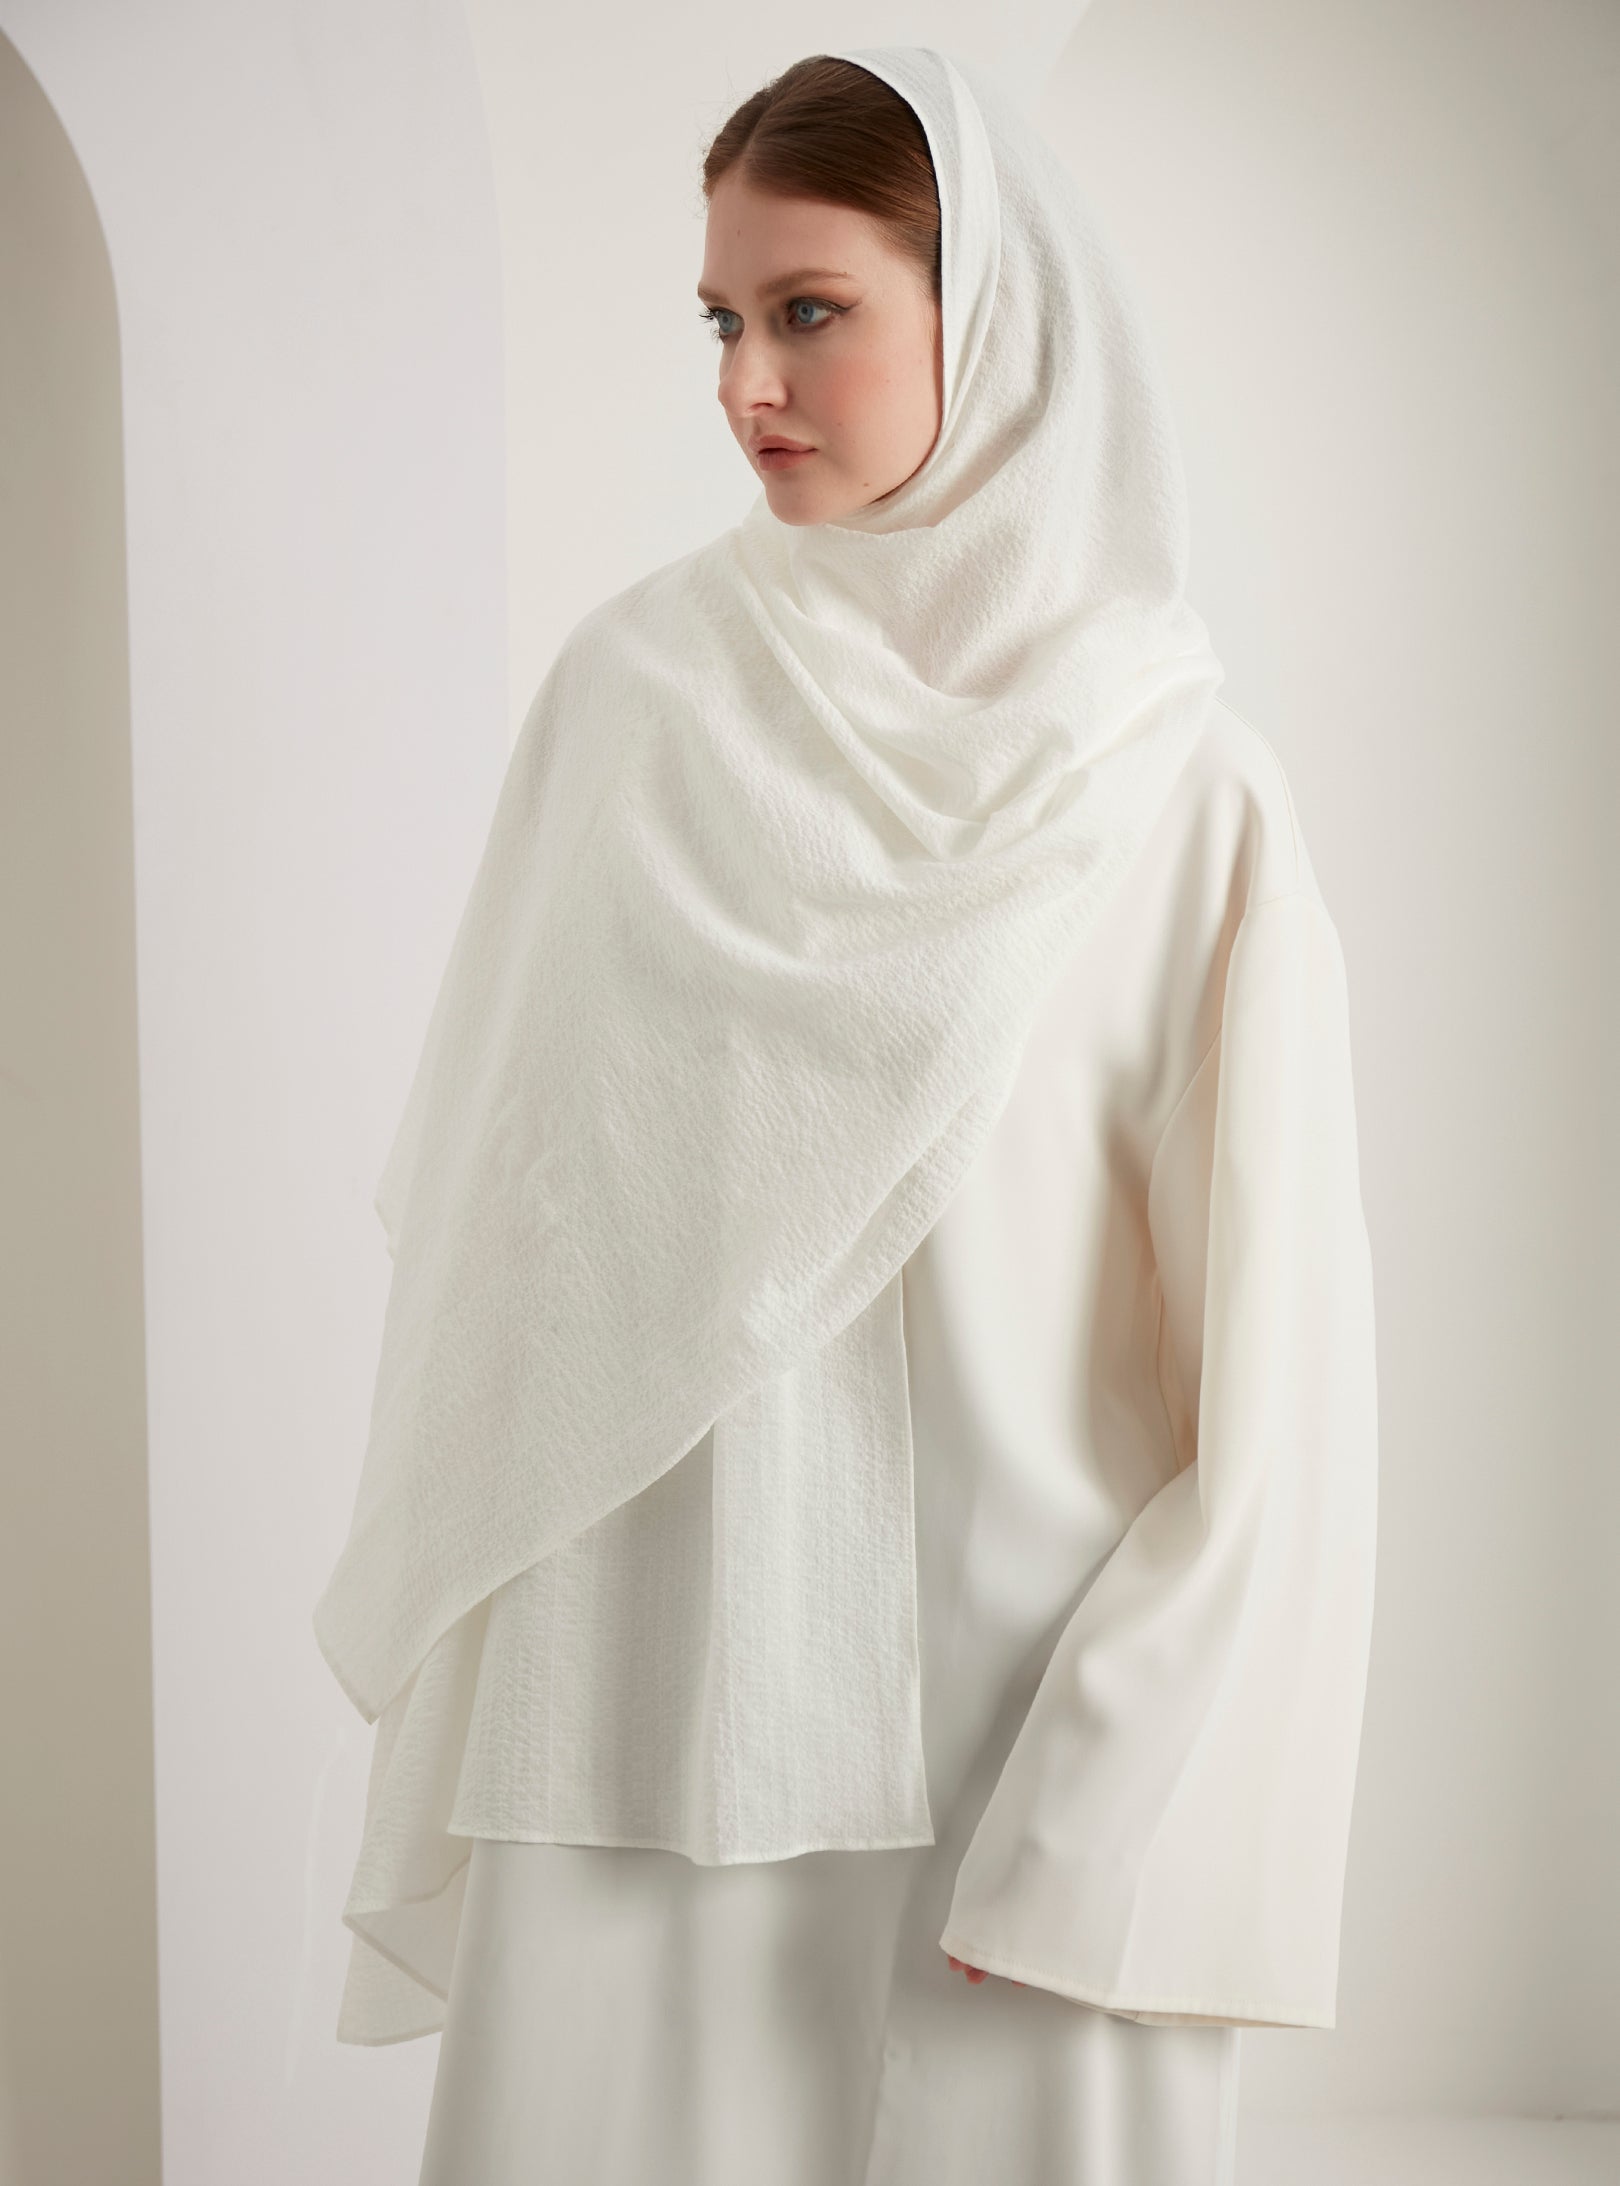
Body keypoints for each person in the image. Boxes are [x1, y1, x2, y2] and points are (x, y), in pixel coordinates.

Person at [312, 45, 1379, 2186]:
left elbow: (1282, 1381)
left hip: (1012, 1740)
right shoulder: (634, 704)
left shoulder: (1172, 790)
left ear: (992, 311)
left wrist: (1108, 1803)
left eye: (811, 310)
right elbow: (519, 1244)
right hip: (646, 1721)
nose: (747, 383)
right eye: (722, 318)